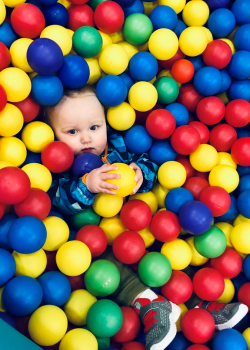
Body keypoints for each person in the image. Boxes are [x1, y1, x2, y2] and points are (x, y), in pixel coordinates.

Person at [44, 85, 248, 350]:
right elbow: (58, 200)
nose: (86, 139)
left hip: (142, 228)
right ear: (54, 135)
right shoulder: (59, 168)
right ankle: (150, 305)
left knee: (170, 247)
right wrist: (87, 184)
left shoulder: (116, 148)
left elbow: (147, 164)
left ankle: (201, 303)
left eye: (94, 128)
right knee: (104, 266)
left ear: (106, 123)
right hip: (102, 242)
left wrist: (141, 173)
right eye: (72, 132)